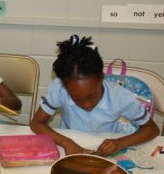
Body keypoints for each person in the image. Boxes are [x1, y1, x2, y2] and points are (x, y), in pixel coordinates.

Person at [30, 34, 159, 157]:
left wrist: (121, 142)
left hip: (111, 146)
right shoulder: (59, 88)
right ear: (64, 86)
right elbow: (36, 123)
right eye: (76, 99)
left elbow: (152, 129)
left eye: (91, 96)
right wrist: (66, 142)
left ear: (101, 78)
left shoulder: (120, 97)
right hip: (72, 143)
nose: (87, 105)